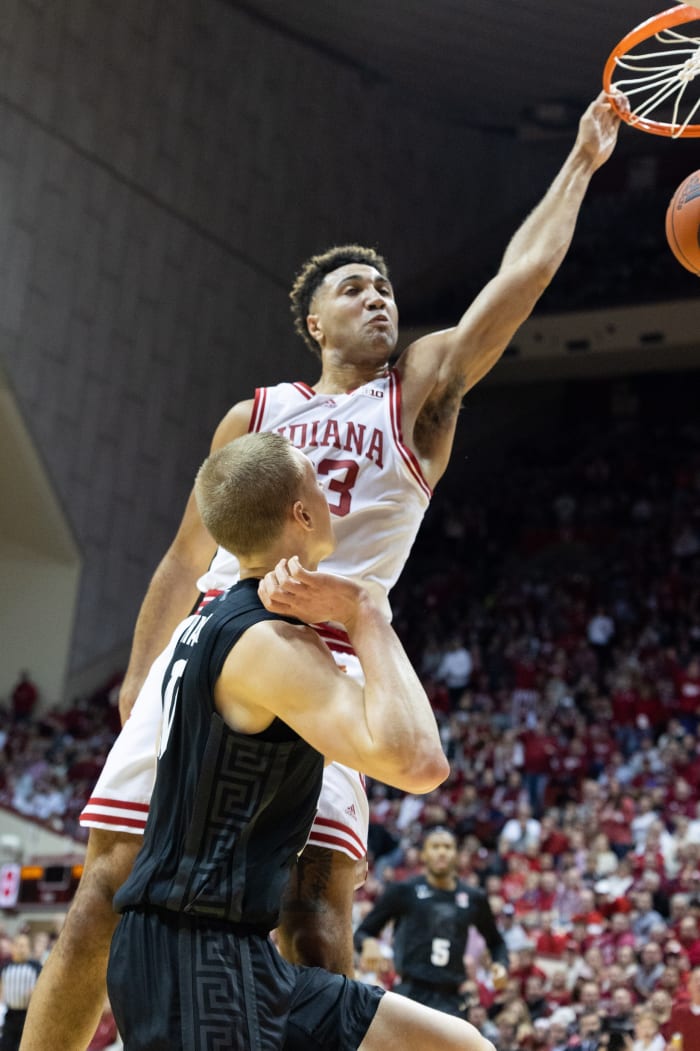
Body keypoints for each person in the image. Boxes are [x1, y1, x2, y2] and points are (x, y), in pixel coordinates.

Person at [19, 90, 625, 1051]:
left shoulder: (422, 392)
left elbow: (520, 277)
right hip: (215, 647)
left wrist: (582, 164)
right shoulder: (252, 416)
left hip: (325, 656)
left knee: (316, 918)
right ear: (313, 321)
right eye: (354, 288)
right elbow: (184, 558)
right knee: (102, 890)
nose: (378, 295)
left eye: (385, 286)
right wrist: (140, 678)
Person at [106, 430, 495, 1051]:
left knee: (459, 1045)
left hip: (238, 954)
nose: (332, 492)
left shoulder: (215, 619)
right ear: (303, 513)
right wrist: (365, 612)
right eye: (318, 480)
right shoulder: (269, 645)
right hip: (188, 952)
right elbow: (419, 761)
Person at [353, 827, 508, 1016]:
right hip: (409, 992)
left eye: (447, 847)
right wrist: (368, 943)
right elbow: (362, 932)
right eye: (435, 847)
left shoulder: (474, 897)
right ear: (424, 855)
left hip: (451, 998)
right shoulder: (403, 891)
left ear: (457, 855)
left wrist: (501, 964)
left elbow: (497, 942)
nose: (441, 852)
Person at [0, 934, 41, 1051]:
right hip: (10, 1015)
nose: (21, 949)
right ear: (13, 948)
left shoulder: (36, 967)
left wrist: (36, 992)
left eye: (24, 946)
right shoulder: (5, 967)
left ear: (29, 948)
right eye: (19, 945)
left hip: (28, 1017)